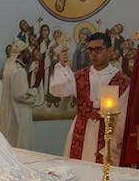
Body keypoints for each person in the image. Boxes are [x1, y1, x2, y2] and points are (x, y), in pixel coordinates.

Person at [49, 32, 131, 164]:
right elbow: (59, 90)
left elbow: (123, 119)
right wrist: (62, 65)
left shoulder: (122, 81)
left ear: (109, 51)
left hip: (106, 136)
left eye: (98, 49)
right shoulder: (79, 76)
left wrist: (113, 147)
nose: (93, 54)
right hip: (80, 133)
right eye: (90, 50)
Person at [0, 38, 36, 149]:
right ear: (21, 53)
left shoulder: (9, 68)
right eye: (27, 52)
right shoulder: (18, 70)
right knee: (19, 143)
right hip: (18, 113)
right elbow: (20, 94)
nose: (29, 54)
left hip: (10, 111)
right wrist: (34, 93)